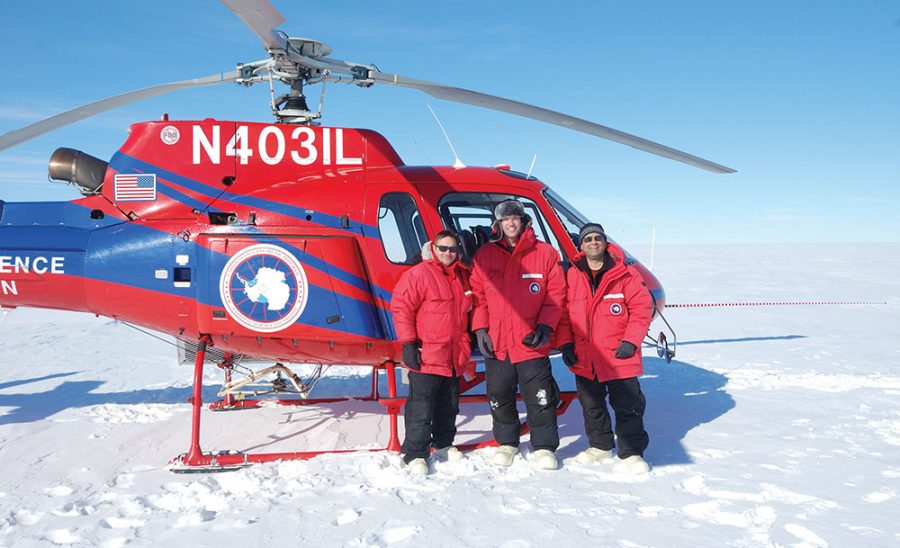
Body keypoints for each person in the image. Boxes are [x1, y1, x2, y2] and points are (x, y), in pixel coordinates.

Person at [470, 199, 566, 470]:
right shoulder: (485, 255)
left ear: (523, 221)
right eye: (505, 219)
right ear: (498, 224)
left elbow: (555, 294)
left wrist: (546, 326)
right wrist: (480, 329)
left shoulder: (545, 253)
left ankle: (545, 446)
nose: (511, 222)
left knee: (540, 396)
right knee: (499, 394)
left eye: (515, 217)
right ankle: (507, 443)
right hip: (498, 343)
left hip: (530, 342)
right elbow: (478, 297)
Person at [558, 223, 653, 474]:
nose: (592, 242)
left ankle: (631, 451)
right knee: (592, 405)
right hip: (585, 355)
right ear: (581, 246)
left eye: (597, 238)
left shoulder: (625, 275)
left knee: (628, 405)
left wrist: (631, 341)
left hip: (618, 354)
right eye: (587, 239)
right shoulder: (573, 274)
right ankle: (600, 445)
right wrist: (566, 342)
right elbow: (565, 313)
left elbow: (642, 309)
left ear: (605, 242)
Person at [391, 231, 475, 476]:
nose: (448, 253)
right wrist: (408, 344)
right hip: (427, 354)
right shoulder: (418, 275)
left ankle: (443, 444)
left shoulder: (463, 277)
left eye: (452, 249)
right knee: (421, 406)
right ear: (433, 248)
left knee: (449, 405)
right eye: (443, 248)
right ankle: (415, 452)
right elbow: (401, 308)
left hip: (453, 355)